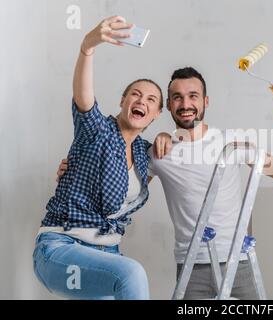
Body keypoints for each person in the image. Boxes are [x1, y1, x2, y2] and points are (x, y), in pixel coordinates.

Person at [58, 67, 273, 300]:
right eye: (177, 97)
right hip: (191, 265)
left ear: (205, 101)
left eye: (193, 96)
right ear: (169, 107)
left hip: (239, 260)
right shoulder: (158, 152)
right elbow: (122, 186)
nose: (186, 103)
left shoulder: (232, 141)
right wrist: (77, 170)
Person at [33, 16, 163, 300]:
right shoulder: (97, 130)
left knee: (125, 274)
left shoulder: (145, 153)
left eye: (151, 100)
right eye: (135, 95)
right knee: (132, 273)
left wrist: (170, 137)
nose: (142, 101)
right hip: (60, 249)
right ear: (122, 101)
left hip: (105, 256)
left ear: (156, 115)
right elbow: (84, 98)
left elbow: (184, 150)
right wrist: (87, 47)